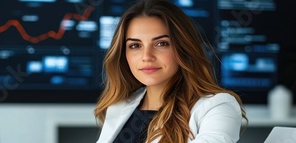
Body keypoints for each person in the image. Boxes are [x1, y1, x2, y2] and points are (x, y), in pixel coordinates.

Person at [94, 0, 248, 143]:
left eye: (161, 43)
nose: (147, 56)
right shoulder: (119, 105)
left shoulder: (217, 106)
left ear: (183, 48)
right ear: (123, 54)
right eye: (135, 45)